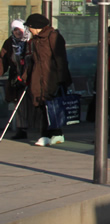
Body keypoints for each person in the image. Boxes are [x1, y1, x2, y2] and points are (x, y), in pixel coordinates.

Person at [23, 14, 71, 147]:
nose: (29, 30)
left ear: (36, 27)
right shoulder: (35, 40)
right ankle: (49, 134)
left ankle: (52, 134)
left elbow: (60, 59)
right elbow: (33, 61)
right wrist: (25, 77)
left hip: (51, 78)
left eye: (30, 27)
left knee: (51, 106)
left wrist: (61, 79)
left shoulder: (53, 36)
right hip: (38, 77)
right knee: (41, 106)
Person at [0, 19, 31, 139]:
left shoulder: (31, 42)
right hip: (16, 77)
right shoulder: (9, 42)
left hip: (30, 76)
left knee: (35, 102)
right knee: (19, 104)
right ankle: (21, 129)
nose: (18, 32)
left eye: (20, 29)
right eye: (15, 30)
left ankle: (43, 129)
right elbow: (3, 59)